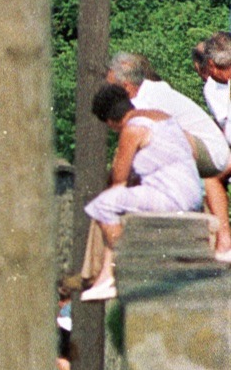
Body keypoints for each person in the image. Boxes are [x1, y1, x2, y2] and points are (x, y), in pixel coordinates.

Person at [80, 83, 204, 300]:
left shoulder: (132, 129)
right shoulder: (162, 115)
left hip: (171, 197)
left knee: (103, 205)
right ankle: (106, 275)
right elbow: (192, 151)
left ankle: (118, 269)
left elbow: (119, 179)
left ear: (110, 122)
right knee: (115, 203)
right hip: (193, 191)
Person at [106, 51, 231, 259]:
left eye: (112, 86)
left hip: (212, 153)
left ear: (126, 86)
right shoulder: (145, 93)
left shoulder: (147, 100)